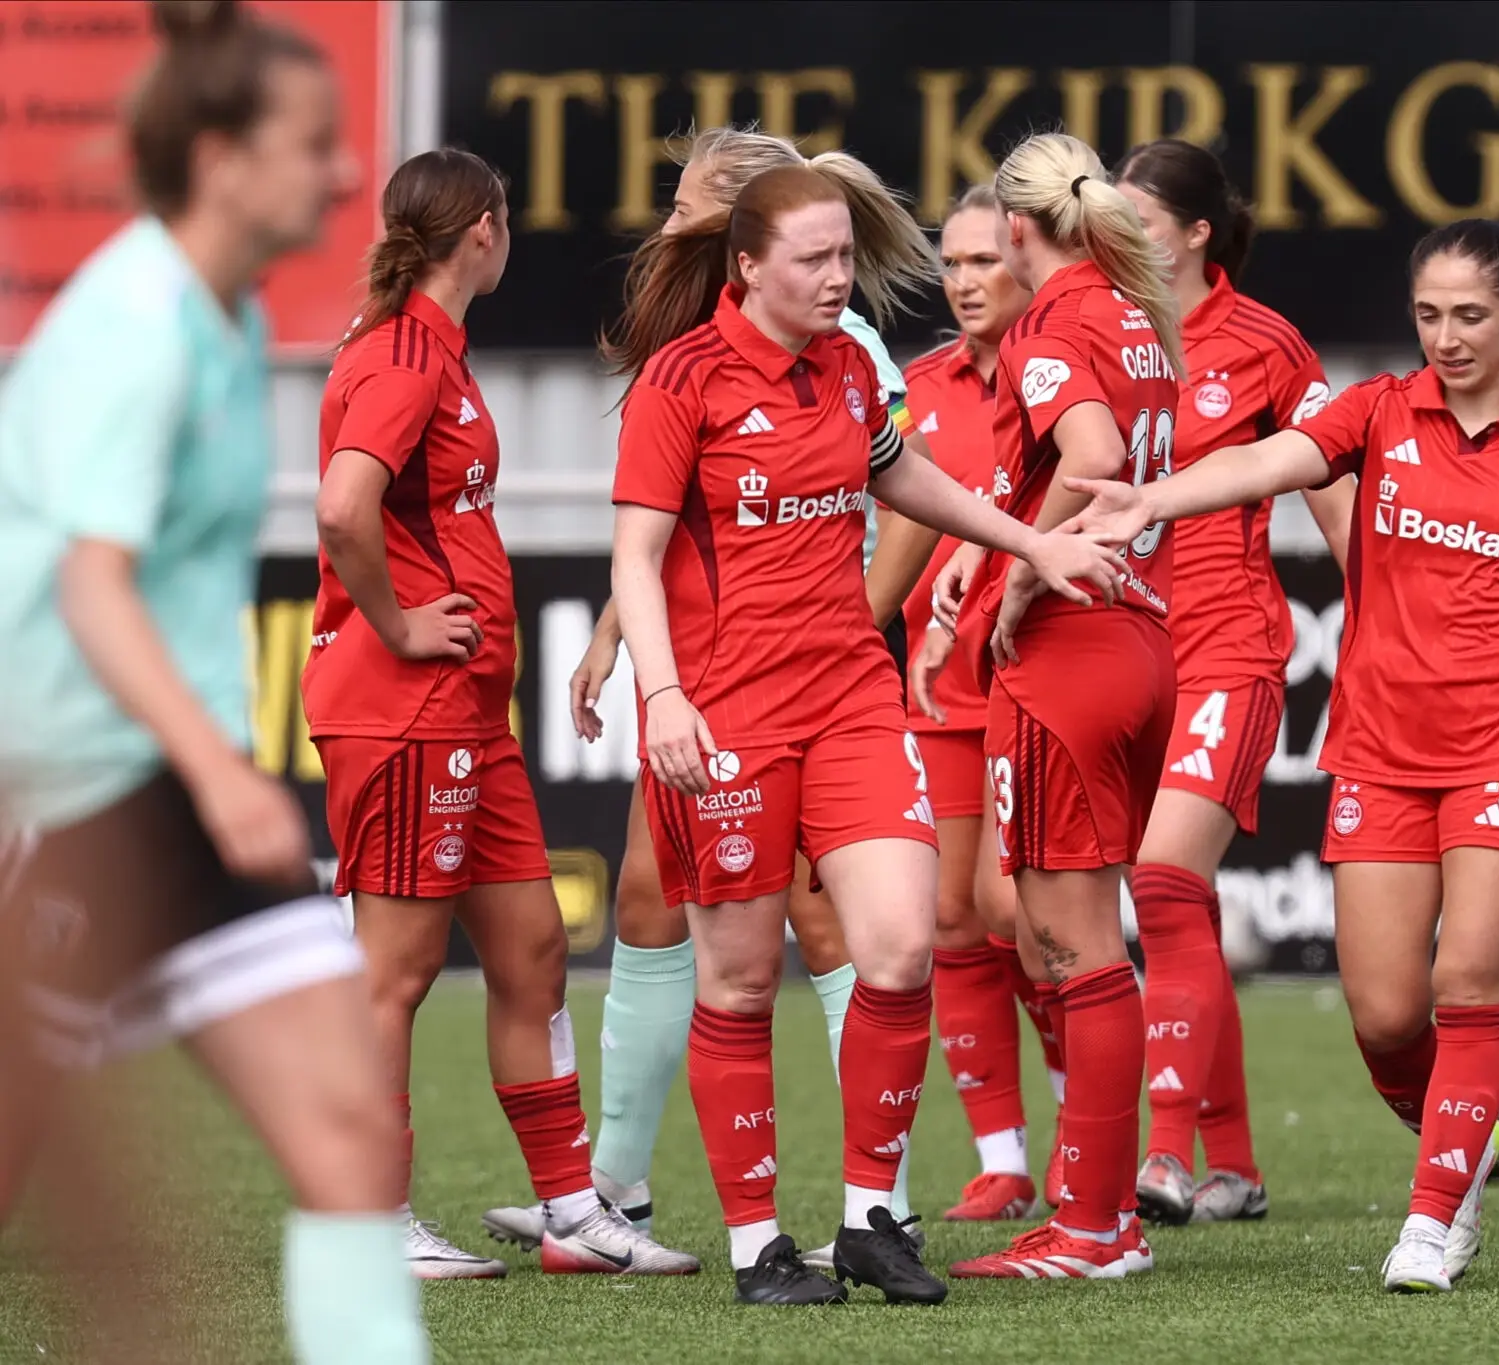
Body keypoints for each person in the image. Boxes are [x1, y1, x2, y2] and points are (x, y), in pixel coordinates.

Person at [1068, 217, 1499, 1292]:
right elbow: (1268, 459)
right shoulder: (1377, 409)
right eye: (1428, 315)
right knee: (1382, 1015)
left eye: (1470, 316)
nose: (1446, 337)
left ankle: (1431, 1218)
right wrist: (1153, 498)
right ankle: (1462, 1144)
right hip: (1378, 749)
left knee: (1469, 981)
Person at [610, 162, 1125, 1305]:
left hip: (849, 695)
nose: (839, 277)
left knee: (898, 949)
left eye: (846, 255)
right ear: (748, 267)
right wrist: (662, 693)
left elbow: (906, 479)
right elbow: (635, 558)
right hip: (725, 713)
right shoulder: (680, 380)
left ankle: (866, 1219)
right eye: (813, 260)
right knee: (740, 980)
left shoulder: (848, 367)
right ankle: (755, 1245)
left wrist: (1030, 543)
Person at [0, 3, 428, 1359]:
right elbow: (92, 584)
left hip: (154, 791)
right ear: (220, 160)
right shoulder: (134, 325)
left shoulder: (225, 316)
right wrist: (215, 765)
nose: (347, 173)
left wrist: (200, 773)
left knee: (350, 1132)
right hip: (68, 801)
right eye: (315, 145)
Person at [478, 124, 948, 1264]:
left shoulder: (838, 343)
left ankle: (874, 1204)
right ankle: (622, 1189)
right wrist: (616, 640)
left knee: (836, 928)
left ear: (740, 224)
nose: (668, 222)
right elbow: (667, 532)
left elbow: (900, 503)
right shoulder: (694, 357)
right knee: (657, 907)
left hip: (809, 681)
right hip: (716, 685)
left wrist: (844, 635)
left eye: (686, 203)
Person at [306, 147, 695, 1278]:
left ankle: (573, 1214)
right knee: (395, 972)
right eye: (507, 218)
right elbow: (342, 510)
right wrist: (396, 624)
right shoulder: (402, 355)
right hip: (406, 710)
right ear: (483, 229)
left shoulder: (433, 350)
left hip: (467, 718)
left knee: (531, 951)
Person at [937, 132, 1184, 1283]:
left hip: (1070, 656)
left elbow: (1090, 455)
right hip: (1140, 639)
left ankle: (1090, 1228)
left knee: (1071, 949)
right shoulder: (1135, 316)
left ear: (1018, 229)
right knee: (1082, 944)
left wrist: (1027, 572)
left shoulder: (1048, 326)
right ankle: (1102, 1218)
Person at [1111, 138, 1356, 1226]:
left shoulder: (1265, 343)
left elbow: (1335, 493)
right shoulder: (1099, 329)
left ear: (1198, 231)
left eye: (1138, 219)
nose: (1117, 238)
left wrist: (1380, 635)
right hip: (1120, 648)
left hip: (1228, 646)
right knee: (1177, 906)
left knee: (1164, 881)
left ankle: (1163, 1156)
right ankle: (1238, 1166)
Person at [901, 185, 1065, 1223]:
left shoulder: (1068, 374)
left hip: (1034, 669)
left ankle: (1084, 1130)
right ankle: (1003, 1159)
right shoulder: (915, 388)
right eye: (951, 261)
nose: (963, 280)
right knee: (950, 918)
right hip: (935, 684)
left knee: (1026, 918)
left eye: (984, 260)